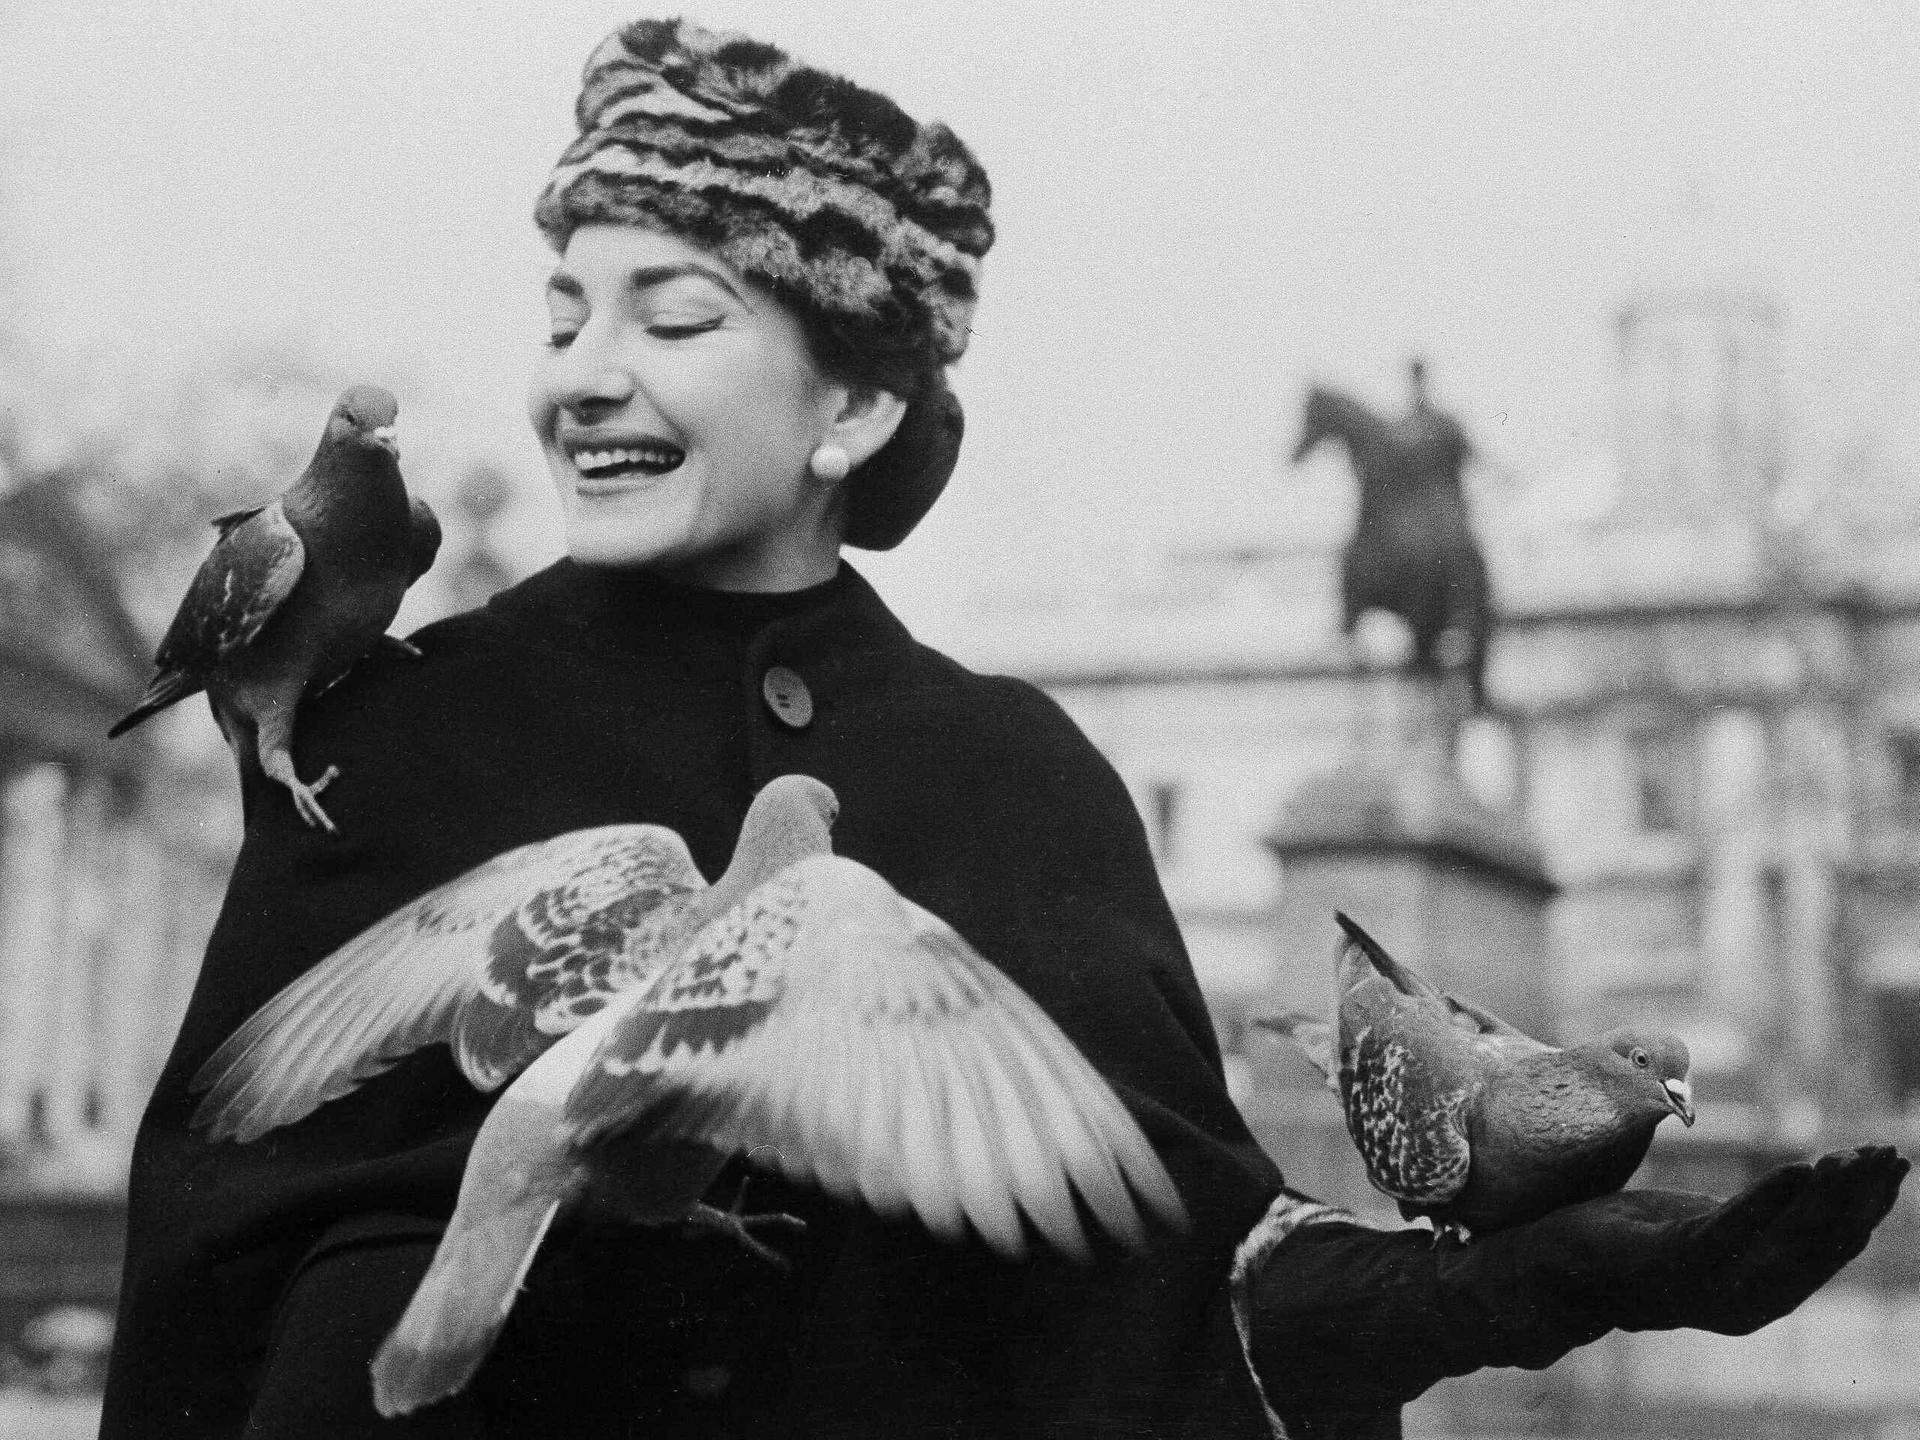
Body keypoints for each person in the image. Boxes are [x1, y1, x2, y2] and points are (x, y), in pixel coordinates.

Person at [100, 18, 1906, 1439]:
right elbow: (216, 1270)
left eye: (672, 313)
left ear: (855, 401)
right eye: (562, 311)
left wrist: (1504, 1290)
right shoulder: (401, 734)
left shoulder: (1024, 778)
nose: (581, 373)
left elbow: (1170, 1292)